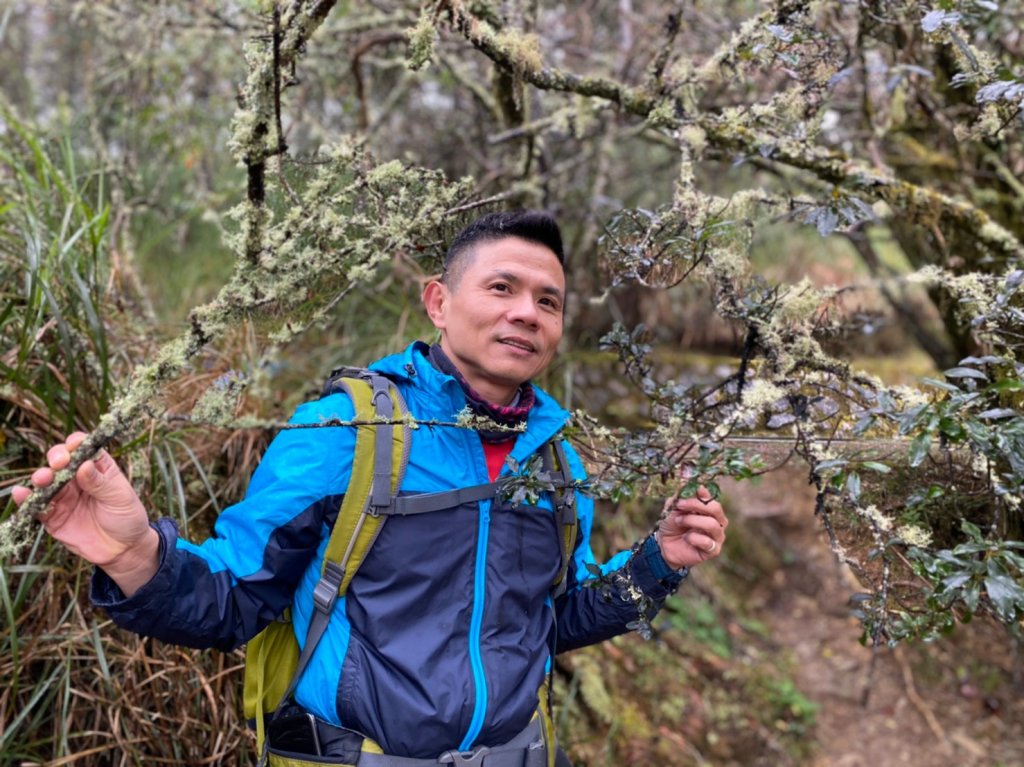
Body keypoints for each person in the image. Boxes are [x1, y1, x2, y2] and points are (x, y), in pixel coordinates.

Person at [13, 211, 728, 765]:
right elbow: (234, 600)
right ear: (439, 302)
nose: (526, 313)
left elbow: (548, 622)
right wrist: (135, 553)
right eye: (502, 287)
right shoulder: (343, 430)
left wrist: (657, 562)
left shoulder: (557, 462)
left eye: (549, 300)